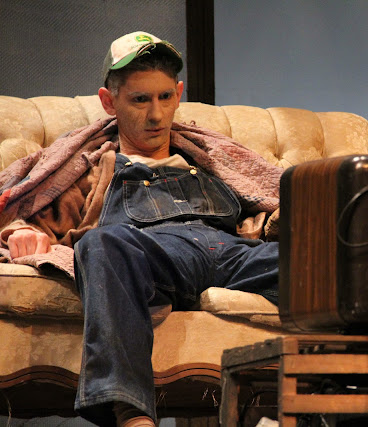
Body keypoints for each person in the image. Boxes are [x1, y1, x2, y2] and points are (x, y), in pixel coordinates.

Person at [0, 31, 281, 426]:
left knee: (332, 261)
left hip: (232, 253)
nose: (156, 115)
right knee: (101, 243)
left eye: (165, 97)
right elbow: (27, 212)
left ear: (178, 93)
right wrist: (19, 232)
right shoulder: (95, 168)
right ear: (108, 101)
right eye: (140, 100)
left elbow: (263, 205)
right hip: (155, 254)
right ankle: (132, 414)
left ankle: (354, 393)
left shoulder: (207, 159)